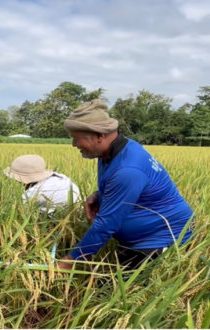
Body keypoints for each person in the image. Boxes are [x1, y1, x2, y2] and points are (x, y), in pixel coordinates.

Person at [57, 99, 193, 270]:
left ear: (100, 136)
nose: (74, 145)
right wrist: (100, 195)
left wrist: (69, 261)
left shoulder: (128, 170)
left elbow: (106, 225)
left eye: (76, 139)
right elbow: (130, 187)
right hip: (143, 238)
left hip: (162, 237)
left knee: (109, 291)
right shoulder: (113, 152)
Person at [3, 154, 81, 213]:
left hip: (57, 221)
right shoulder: (62, 178)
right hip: (80, 214)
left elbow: (18, 210)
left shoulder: (32, 194)